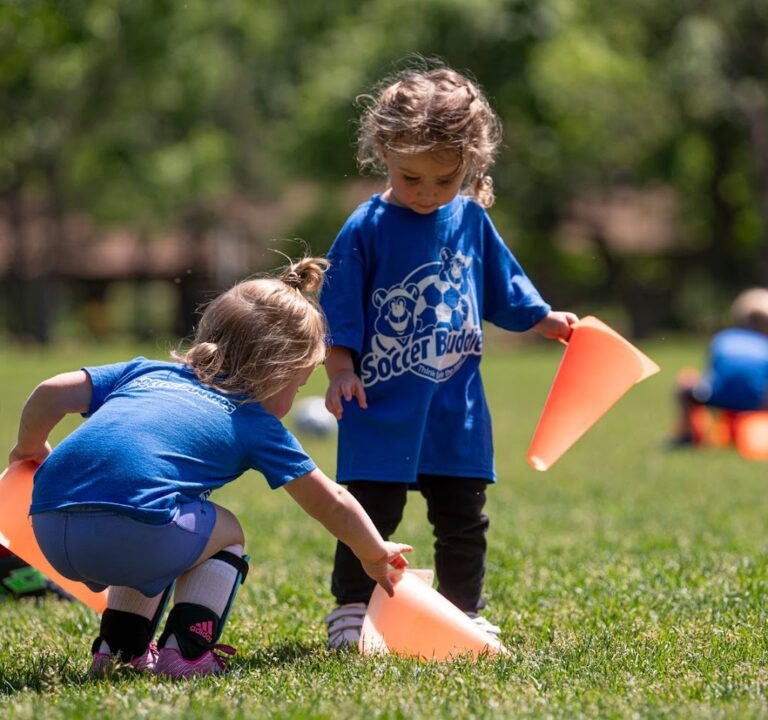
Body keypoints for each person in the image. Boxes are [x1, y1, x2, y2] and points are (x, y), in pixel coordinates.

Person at [9, 257, 411, 678]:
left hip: (48, 526)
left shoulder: (144, 372)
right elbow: (331, 502)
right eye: (299, 384)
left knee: (159, 512)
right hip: (135, 533)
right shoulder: (254, 421)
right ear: (276, 373)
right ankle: (187, 653)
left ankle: (118, 649)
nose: (293, 398)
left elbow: (51, 390)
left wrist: (28, 448)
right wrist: (372, 552)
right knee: (223, 532)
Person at [319, 62, 578, 649]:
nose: (428, 194)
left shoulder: (469, 218)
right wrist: (339, 368)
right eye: (412, 179)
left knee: (462, 519)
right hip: (379, 402)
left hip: (454, 406)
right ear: (383, 148)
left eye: (445, 180)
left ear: (471, 164)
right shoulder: (366, 226)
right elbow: (340, 303)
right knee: (368, 515)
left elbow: (501, 283)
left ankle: (462, 612)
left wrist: (540, 317)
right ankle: (351, 610)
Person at [670, 287, 768, 446]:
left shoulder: (723, 338)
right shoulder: (765, 343)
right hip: (757, 401)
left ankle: (686, 436)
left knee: (685, 388)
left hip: (719, 397)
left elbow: (710, 374)